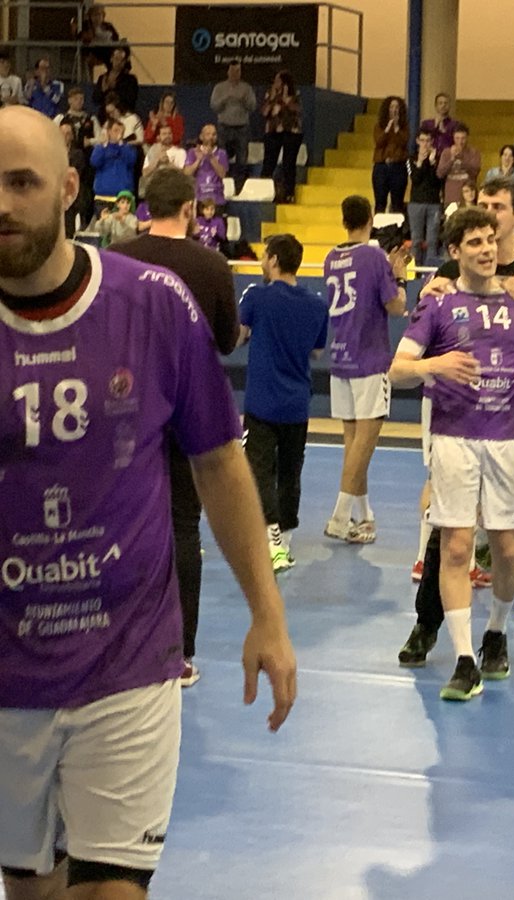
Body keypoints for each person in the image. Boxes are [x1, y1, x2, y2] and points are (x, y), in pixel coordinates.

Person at [0, 105, 295, 900]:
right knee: (32, 890)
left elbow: (220, 463)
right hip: (8, 672)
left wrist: (266, 613)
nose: (3, 203)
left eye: (22, 183)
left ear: (70, 188)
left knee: (111, 891)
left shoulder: (154, 304)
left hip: (127, 661)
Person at [397, 178, 514, 690]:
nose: (488, 215)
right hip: (462, 420)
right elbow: (426, 333)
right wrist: (427, 298)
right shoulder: (451, 274)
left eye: (498, 208)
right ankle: (428, 626)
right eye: (481, 207)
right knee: (451, 534)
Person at [391, 212, 514, 703]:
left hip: (507, 440)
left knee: (507, 549)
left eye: (490, 240)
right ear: (455, 252)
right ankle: (463, 660)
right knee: (456, 547)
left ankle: (495, 630)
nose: (486, 249)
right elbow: (397, 370)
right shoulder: (438, 303)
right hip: (454, 438)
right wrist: (437, 364)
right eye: (474, 242)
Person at [109, 165, 240, 684]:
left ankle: (120, 642)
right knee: (184, 525)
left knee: (120, 522)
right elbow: (226, 341)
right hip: (187, 411)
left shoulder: (116, 258)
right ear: (190, 209)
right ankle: (180, 652)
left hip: (123, 410)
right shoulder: (211, 265)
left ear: (145, 207)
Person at [239, 234, 329, 572]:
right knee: (291, 472)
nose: (262, 262)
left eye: (265, 256)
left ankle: (272, 536)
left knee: (259, 469)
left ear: (274, 260)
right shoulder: (317, 304)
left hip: (262, 403)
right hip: (296, 403)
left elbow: (237, 336)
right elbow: (316, 351)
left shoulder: (256, 296)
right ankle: (285, 540)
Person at [323, 195, 408, 544]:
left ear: (343, 220)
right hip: (369, 357)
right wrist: (400, 277)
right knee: (364, 444)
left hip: (340, 356)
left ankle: (364, 516)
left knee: (352, 443)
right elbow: (396, 306)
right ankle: (340, 516)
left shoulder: (331, 257)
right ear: (370, 219)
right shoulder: (373, 257)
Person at [210, 60, 257, 191]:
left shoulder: (246, 88)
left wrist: (243, 100)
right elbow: (214, 106)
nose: (235, 73)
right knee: (221, 157)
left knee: (242, 160)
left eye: (238, 71)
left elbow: (253, 106)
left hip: (242, 128)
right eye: (233, 71)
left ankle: (239, 188)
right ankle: (223, 186)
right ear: (228, 71)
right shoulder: (220, 88)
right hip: (224, 127)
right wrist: (225, 98)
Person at [261, 70, 303, 203]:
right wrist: (272, 98)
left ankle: (289, 193)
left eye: (278, 81)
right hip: (273, 131)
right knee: (269, 162)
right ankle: (264, 189)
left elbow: (297, 109)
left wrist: (285, 99)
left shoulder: (295, 94)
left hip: (291, 132)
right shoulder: (270, 94)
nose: (275, 83)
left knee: (288, 163)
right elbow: (265, 112)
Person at [408, 129, 443, 266]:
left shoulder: (437, 158)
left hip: (433, 203)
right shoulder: (411, 159)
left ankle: (430, 271)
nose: (425, 144)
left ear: (432, 142)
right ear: (417, 141)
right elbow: (415, 179)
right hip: (416, 203)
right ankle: (414, 271)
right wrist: (420, 162)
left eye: (428, 141)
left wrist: (432, 163)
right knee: (416, 240)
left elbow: (438, 181)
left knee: (432, 240)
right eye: (422, 140)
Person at [373, 96, 409, 214]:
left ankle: (396, 225)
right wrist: (388, 129)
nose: (394, 110)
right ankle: (379, 224)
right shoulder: (379, 126)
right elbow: (379, 142)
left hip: (398, 166)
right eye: (392, 107)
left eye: (397, 107)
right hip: (381, 166)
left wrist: (397, 128)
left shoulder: (404, 127)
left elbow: (403, 142)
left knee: (397, 204)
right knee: (380, 202)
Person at [184, 123, 230, 206]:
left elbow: (222, 174)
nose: (211, 137)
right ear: (201, 136)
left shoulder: (222, 153)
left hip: (217, 198)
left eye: (214, 134)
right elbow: (187, 173)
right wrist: (198, 160)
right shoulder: (192, 152)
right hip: (199, 198)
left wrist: (211, 157)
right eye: (208, 134)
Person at [437, 123, 482, 207]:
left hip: (468, 198)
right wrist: (452, 159)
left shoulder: (474, 152)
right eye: (457, 138)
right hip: (451, 196)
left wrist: (461, 160)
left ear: (467, 138)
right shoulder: (446, 152)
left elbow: (475, 172)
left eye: (463, 138)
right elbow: (440, 174)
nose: (460, 142)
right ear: (453, 138)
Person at [92, 44, 137, 113]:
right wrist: (103, 90)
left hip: (122, 113)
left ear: (125, 62)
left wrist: (114, 89)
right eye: (116, 59)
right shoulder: (103, 78)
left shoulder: (130, 80)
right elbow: (95, 99)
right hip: (104, 114)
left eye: (121, 60)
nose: (118, 62)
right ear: (111, 59)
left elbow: (130, 100)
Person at [420, 92, 462, 157]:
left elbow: (457, 142)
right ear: (436, 106)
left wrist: (444, 132)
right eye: (440, 103)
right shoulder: (426, 123)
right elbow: (422, 140)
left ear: (449, 106)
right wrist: (435, 128)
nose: (443, 105)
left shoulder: (455, 124)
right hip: (429, 156)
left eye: (446, 103)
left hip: (448, 157)